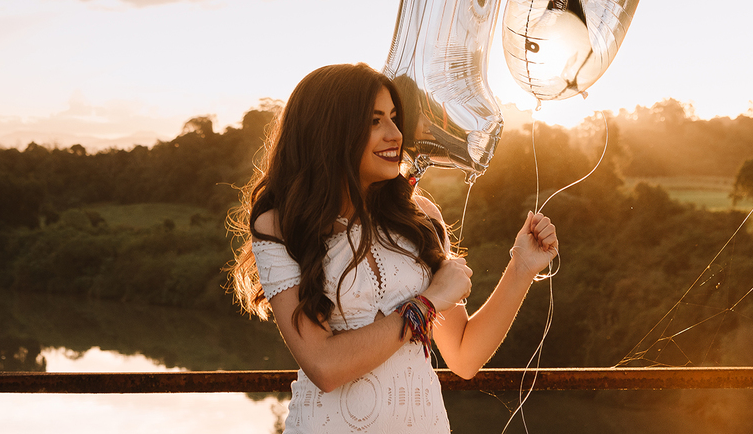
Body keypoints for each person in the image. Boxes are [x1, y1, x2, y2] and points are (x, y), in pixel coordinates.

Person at [230, 63, 558, 433]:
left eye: (394, 118)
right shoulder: (280, 225)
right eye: (374, 121)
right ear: (330, 131)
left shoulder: (420, 218)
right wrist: (426, 304)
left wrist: (522, 268)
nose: (395, 134)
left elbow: (464, 356)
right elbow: (324, 366)